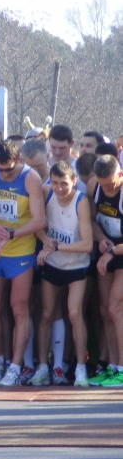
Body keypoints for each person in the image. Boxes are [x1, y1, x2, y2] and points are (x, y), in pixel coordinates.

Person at [0, 140, 46, 386]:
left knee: (19, 309)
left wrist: (10, 234)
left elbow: (39, 220)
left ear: (19, 161)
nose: (3, 174)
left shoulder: (30, 179)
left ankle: (16, 366)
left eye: (8, 169)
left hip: (20, 251)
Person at [30, 161, 92, 387]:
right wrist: (46, 242)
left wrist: (55, 247)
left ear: (73, 181)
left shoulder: (81, 201)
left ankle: (81, 369)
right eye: (55, 183)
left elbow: (86, 244)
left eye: (63, 184)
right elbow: (36, 223)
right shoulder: (46, 193)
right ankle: (43, 368)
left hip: (76, 266)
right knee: (46, 314)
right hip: (53, 264)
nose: (58, 188)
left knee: (74, 313)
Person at [89, 155, 123, 387]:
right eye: (103, 183)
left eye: (110, 183)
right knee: (104, 310)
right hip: (108, 250)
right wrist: (101, 239)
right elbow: (92, 220)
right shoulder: (96, 186)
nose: (107, 187)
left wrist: (112, 251)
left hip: (120, 252)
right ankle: (111, 367)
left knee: (115, 308)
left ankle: (121, 367)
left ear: (119, 174)